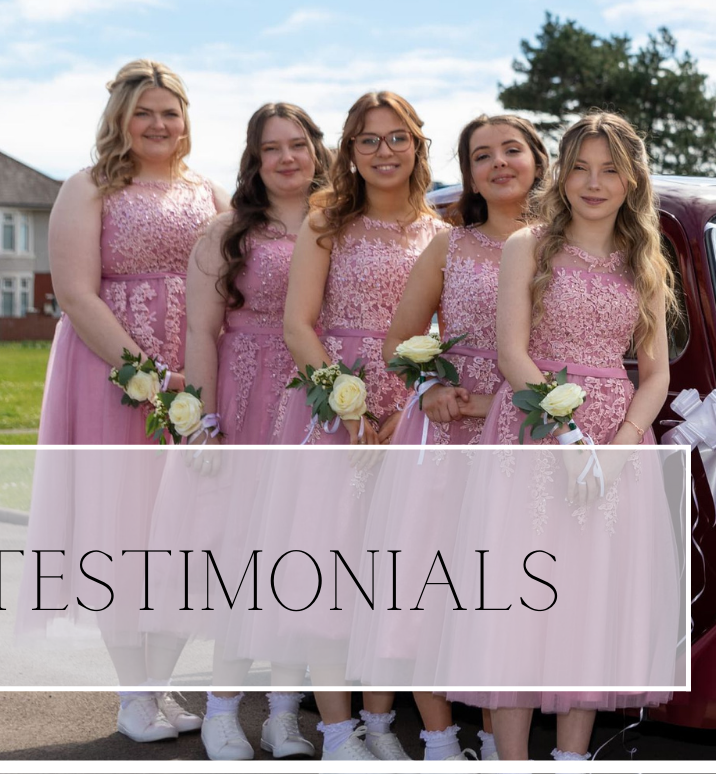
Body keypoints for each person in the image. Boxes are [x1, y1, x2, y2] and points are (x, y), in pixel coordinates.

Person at [442, 112, 681, 762]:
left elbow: (655, 373)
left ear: (632, 179)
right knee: (522, 598)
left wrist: (622, 443)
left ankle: (573, 756)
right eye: (581, 166)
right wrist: (569, 438)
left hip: (617, 439)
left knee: (589, 601)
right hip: (533, 432)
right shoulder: (529, 244)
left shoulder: (646, 261)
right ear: (563, 172)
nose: (594, 182)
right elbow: (511, 352)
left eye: (610, 169)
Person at [22, 59, 224, 744]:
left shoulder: (209, 191)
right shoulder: (89, 187)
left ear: (186, 119)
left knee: (186, 530)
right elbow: (76, 292)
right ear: (120, 121)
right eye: (144, 113)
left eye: (170, 112)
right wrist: (148, 373)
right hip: (113, 371)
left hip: (198, 367)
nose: (159, 124)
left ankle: (158, 680)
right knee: (125, 529)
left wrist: (199, 376)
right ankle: (132, 692)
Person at [345, 114, 548, 762]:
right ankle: (437, 738)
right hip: (450, 425)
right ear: (469, 174)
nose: (499, 163)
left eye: (511, 150)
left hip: (526, 426)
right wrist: (428, 384)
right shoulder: (449, 247)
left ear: (538, 160)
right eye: (482, 155)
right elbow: (399, 338)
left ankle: (498, 736)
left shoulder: (565, 246)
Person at [256, 90, 445, 761]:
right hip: (333, 405)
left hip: (411, 412)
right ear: (350, 151)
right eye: (369, 140)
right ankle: (337, 732)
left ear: (418, 145)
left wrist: (408, 407)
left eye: (397, 138)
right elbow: (296, 323)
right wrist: (351, 405)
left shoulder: (440, 231)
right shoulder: (326, 222)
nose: (384, 151)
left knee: (391, 574)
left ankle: (382, 721)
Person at [157, 102, 332, 760]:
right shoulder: (226, 232)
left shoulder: (338, 224)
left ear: (317, 149)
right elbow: (200, 330)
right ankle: (223, 708)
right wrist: (201, 420)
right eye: (270, 149)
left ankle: (283, 714)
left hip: (314, 399)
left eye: (297, 144)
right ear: (255, 162)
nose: (286, 158)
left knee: (302, 555)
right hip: (247, 393)